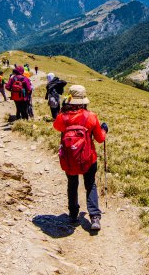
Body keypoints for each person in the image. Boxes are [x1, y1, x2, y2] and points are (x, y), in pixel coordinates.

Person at [53, 85, 108, 230]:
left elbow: (57, 127)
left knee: (72, 183)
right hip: (88, 158)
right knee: (90, 184)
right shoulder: (91, 117)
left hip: (69, 159)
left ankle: (72, 214)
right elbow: (100, 138)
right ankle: (95, 217)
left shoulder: (62, 117)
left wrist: (63, 110)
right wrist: (104, 129)